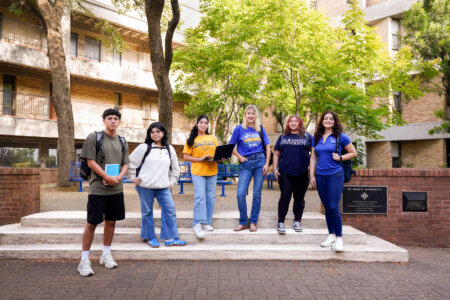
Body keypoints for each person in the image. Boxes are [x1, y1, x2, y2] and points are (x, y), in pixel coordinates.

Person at [78, 108, 130, 277]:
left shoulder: (122, 141)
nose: (113, 121)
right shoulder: (94, 137)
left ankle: (105, 254)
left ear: (119, 122)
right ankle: (84, 260)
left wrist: (118, 178)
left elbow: (126, 164)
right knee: (92, 223)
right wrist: (107, 176)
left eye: (116, 118)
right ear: (104, 121)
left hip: (116, 189)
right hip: (98, 189)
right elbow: (91, 162)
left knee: (111, 222)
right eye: (109, 118)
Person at [126, 122, 186, 248]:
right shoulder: (144, 147)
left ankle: (170, 238)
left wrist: (171, 182)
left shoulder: (169, 149)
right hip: (145, 186)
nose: (155, 134)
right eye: (152, 132)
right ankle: (150, 237)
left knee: (170, 210)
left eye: (158, 131)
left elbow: (175, 168)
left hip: (163, 187)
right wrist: (132, 178)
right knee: (147, 212)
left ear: (163, 133)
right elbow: (130, 162)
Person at [309, 111, 357, 252]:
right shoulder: (316, 137)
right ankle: (331, 235)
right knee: (326, 206)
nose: (328, 120)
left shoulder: (341, 137)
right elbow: (313, 158)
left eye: (331, 119)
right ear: (322, 121)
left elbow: (353, 153)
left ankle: (340, 238)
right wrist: (312, 175)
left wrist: (340, 158)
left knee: (333, 205)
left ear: (335, 121)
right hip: (320, 175)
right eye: (325, 118)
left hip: (335, 174)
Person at [229, 105, 271, 232]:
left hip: (260, 162)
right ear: (245, 115)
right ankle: (243, 222)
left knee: (257, 194)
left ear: (256, 115)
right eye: (249, 113)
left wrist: (267, 164)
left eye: (253, 113)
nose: (251, 116)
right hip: (246, 163)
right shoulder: (239, 129)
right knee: (240, 194)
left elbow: (268, 146)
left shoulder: (260, 129)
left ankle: (253, 222)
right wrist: (240, 157)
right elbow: (230, 146)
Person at [273, 115, 312, 234]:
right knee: (285, 197)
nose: (294, 123)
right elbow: (276, 154)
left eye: (296, 121)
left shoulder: (307, 137)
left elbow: (314, 154)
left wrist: (311, 167)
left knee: (299, 198)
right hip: (285, 173)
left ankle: (297, 221)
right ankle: (280, 222)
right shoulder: (282, 137)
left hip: (302, 173)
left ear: (300, 123)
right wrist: (275, 169)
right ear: (288, 123)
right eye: (291, 121)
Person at [183, 115, 219, 239]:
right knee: (200, 197)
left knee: (211, 197)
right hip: (198, 171)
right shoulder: (192, 139)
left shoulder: (212, 138)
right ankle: (196, 224)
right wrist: (199, 159)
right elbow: (186, 157)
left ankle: (207, 222)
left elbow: (216, 154)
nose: (203, 125)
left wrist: (220, 158)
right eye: (201, 122)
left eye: (206, 123)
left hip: (212, 171)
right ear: (197, 124)